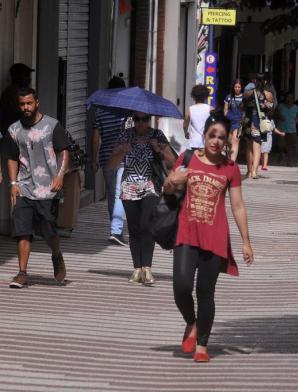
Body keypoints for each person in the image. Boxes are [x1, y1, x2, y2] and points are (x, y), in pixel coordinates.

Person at [163, 113, 254, 362]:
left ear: (226, 142)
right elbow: (167, 188)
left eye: (221, 137)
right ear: (203, 136)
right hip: (186, 232)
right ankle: (192, 323)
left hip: (214, 237)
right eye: (212, 135)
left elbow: (237, 205)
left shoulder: (231, 168)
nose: (215, 141)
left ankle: (202, 345)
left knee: (205, 291)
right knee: (181, 287)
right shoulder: (188, 158)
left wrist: (246, 241)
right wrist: (172, 180)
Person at [2, 88, 70, 288]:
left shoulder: (52, 126)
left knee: (48, 230)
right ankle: (22, 273)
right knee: (22, 231)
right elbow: (12, 157)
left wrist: (60, 175)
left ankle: (56, 255)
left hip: (48, 188)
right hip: (24, 186)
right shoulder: (14, 130)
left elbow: (63, 151)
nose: (25, 108)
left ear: (37, 103)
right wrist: (13, 184)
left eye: (29, 103)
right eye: (22, 104)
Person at [109, 111, 176, 285]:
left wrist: (158, 149)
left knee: (147, 225)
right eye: (136, 119)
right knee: (134, 228)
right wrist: (121, 152)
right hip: (128, 186)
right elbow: (111, 164)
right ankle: (136, 268)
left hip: (150, 186)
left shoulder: (156, 135)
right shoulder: (125, 134)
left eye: (144, 119)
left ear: (149, 120)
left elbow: (173, 161)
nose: (140, 123)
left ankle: (147, 267)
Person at [91, 76, 127, 246]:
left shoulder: (101, 111)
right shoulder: (126, 111)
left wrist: (93, 158)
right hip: (122, 157)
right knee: (120, 193)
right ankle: (116, 231)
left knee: (113, 194)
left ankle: (115, 228)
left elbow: (96, 137)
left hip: (106, 157)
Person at [242, 74, 274, 178]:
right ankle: (255, 171)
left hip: (249, 120)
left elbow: (242, 105)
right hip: (259, 121)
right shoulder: (268, 94)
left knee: (249, 147)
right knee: (257, 147)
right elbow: (271, 109)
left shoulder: (248, 93)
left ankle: (249, 170)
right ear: (265, 82)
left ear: (253, 81)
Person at [0, 63, 34, 137]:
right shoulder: (13, 93)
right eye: (26, 76)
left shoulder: (9, 92)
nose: (29, 79)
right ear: (18, 77)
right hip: (15, 136)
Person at [183, 85, 213, 149]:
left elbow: (185, 125)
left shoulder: (190, 109)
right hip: (207, 141)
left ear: (193, 96)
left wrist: (186, 133)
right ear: (206, 96)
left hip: (194, 142)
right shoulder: (210, 109)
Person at [276, 92, 298, 166]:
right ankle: (281, 154)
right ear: (285, 98)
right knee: (281, 145)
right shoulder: (280, 106)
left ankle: (289, 161)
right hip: (281, 128)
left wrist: (296, 122)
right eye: (288, 97)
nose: (289, 99)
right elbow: (275, 114)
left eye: (291, 97)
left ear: (293, 99)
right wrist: (279, 116)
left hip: (292, 129)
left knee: (290, 146)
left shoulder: (295, 107)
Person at [223, 79, 243, 161]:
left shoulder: (244, 97)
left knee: (235, 141)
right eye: (236, 87)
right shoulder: (228, 97)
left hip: (239, 122)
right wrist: (229, 117)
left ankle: (232, 161)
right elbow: (225, 111)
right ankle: (228, 157)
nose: (237, 88)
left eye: (239, 87)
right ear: (233, 87)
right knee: (228, 141)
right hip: (230, 121)